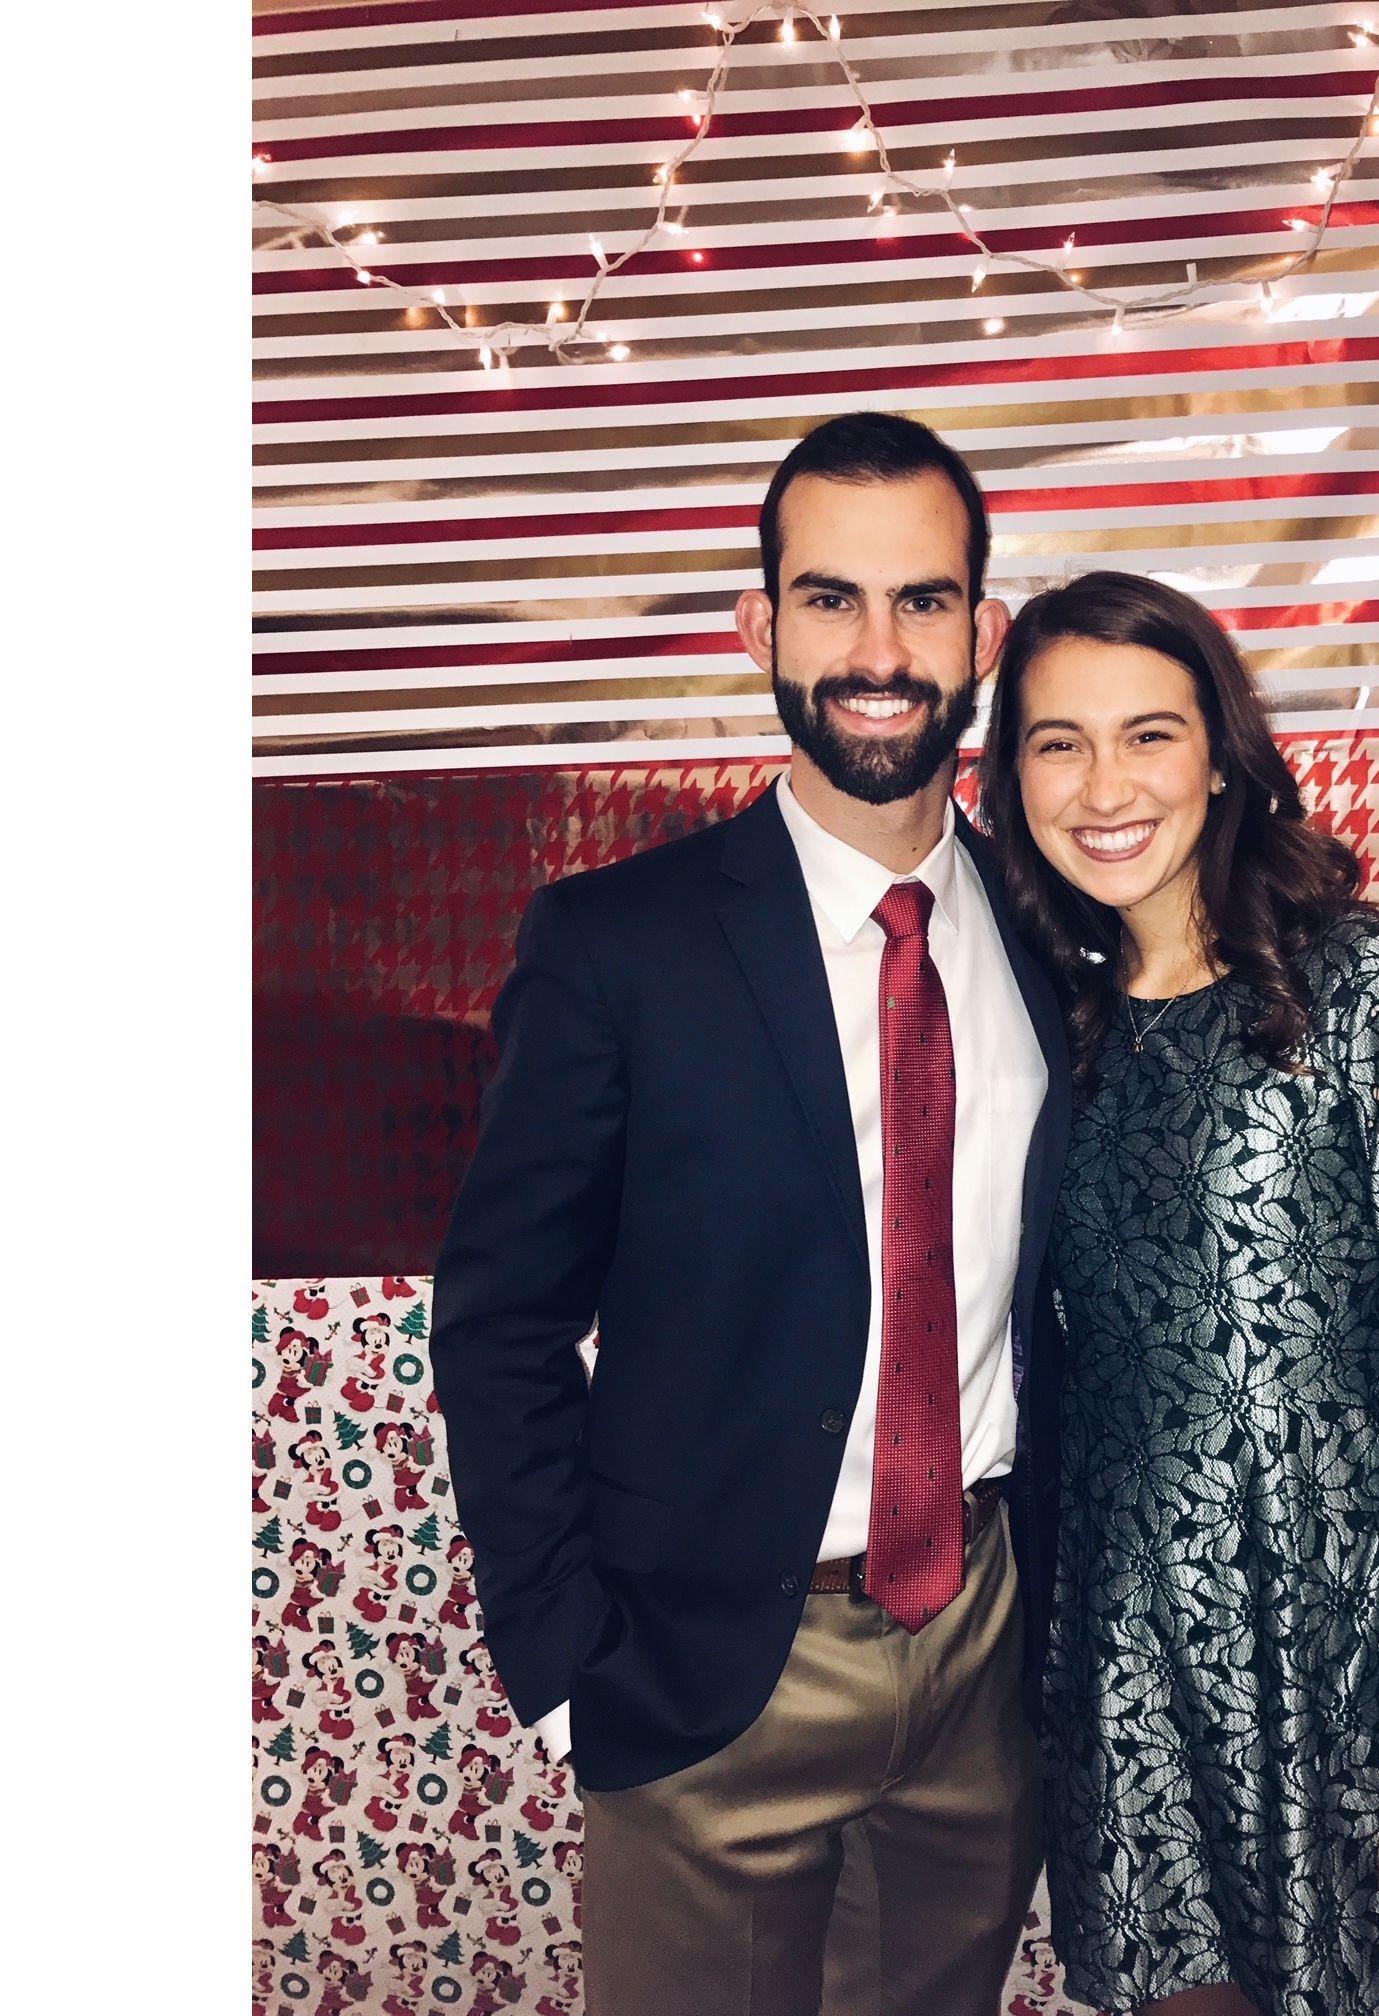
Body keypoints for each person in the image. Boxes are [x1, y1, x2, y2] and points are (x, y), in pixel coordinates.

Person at [431, 411, 1072, 2016]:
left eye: (923, 601)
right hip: (711, 1675)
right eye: (831, 599)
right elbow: (501, 1321)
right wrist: (565, 1662)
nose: (880, 651)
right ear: (759, 625)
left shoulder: (1056, 936)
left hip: (984, 1657)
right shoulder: (616, 946)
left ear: (984, 633)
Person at [977, 571, 1379, 2016]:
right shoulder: (1047, 1024)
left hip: (1347, 1661)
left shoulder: (1362, 984)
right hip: (1126, 1671)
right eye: (1059, 743)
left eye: (1149, 734)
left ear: (1221, 755)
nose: (1104, 787)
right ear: (1012, 778)